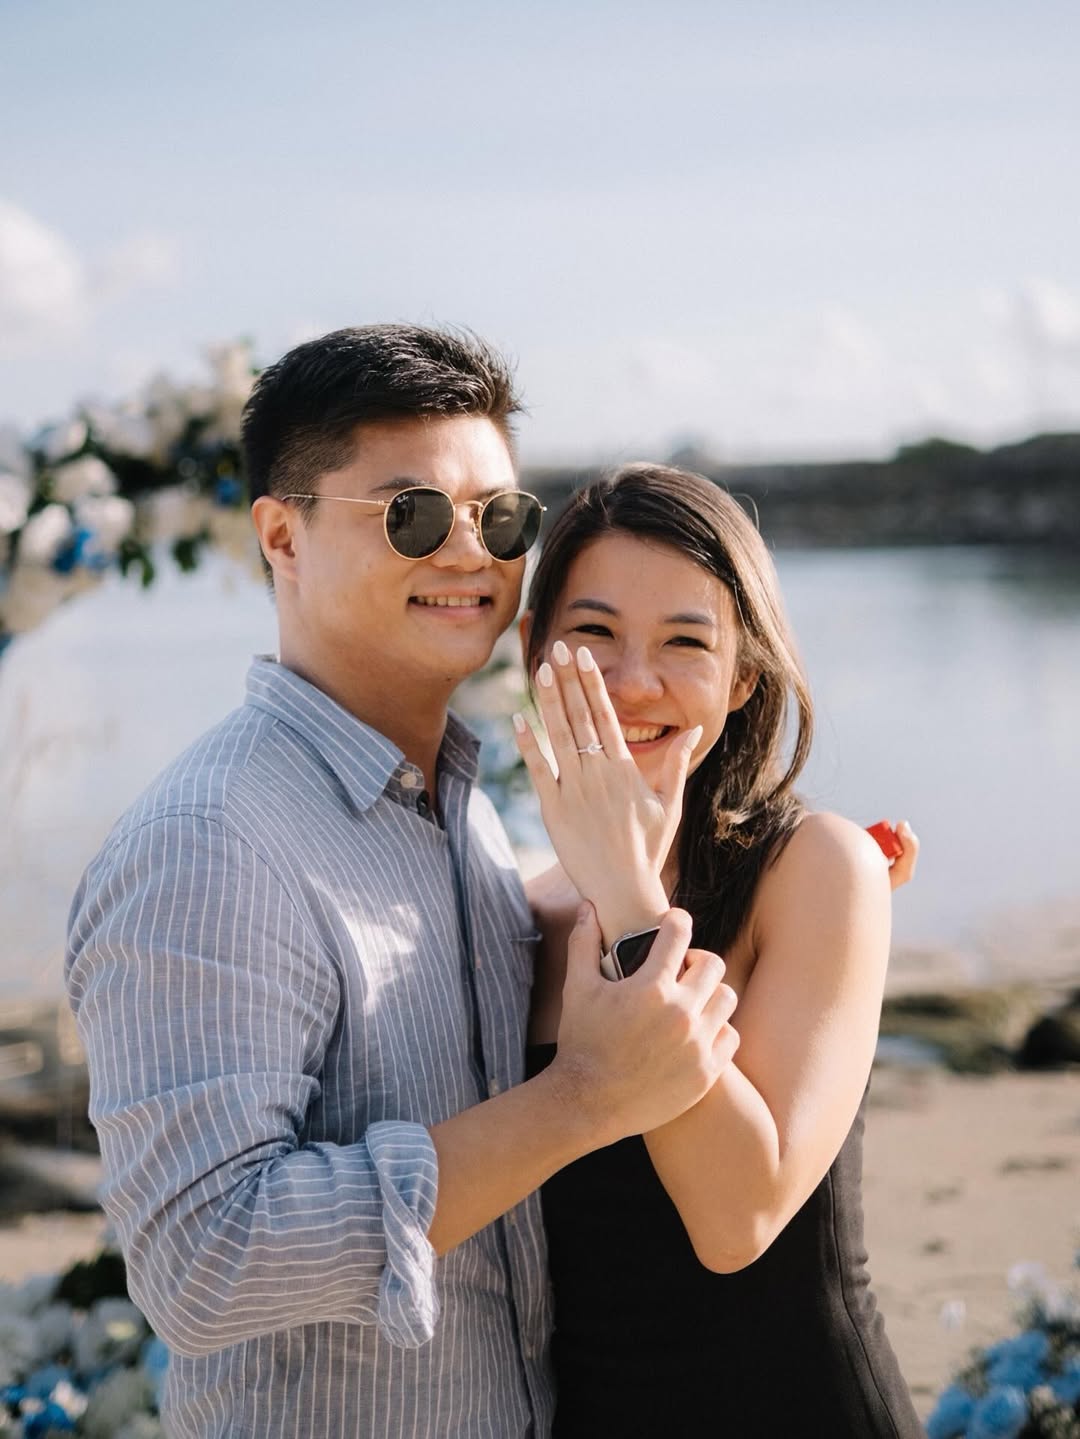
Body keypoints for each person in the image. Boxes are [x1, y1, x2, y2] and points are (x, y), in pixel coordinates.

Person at [64, 328, 741, 1439]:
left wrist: (794, 875)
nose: (470, 553)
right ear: (281, 535)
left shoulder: (459, 809)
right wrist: (581, 1098)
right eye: (413, 514)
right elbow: (203, 1262)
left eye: (501, 518)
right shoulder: (210, 841)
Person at [512, 462, 925, 1437]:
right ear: (533, 650)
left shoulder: (816, 865)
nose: (633, 682)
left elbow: (739, 1218)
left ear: (743, 677)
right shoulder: (515, 911)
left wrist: (629, 899)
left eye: (686, 642)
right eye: (594, 633)